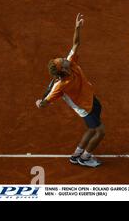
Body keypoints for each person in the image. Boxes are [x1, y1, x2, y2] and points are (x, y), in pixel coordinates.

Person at [35, 13, 105, 168]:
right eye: (63, 61)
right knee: (100, 132)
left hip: (91, 98)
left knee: (91, 129)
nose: (65, 59)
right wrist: (40, 103)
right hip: (85, 108)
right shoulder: (60, 86)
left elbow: (76, 43)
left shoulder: (70, 63)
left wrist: (77, 28)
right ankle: (85, 158)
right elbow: (45, 103)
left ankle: (76, 155)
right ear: (62, 69)